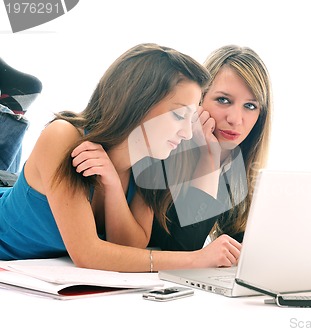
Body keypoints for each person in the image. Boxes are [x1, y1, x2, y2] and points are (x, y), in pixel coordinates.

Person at [0, 43, 242, 271]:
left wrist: (113, 186)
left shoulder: (152, 161)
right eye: (179, 116)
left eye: (191, 119)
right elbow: (88, 254)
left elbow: (129, 247)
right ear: (137, 104)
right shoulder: (62, 136)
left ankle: (11, 105)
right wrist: (196, 260)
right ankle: (9, 106)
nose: (188, 133)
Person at [149, 45, 272, 252]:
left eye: (250, 106)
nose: (235, 119)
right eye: (223, 100)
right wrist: (209, 161)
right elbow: (181, 250)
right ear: (199, 99)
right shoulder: (164, 150)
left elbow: (241, 246)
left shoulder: (236, 166)